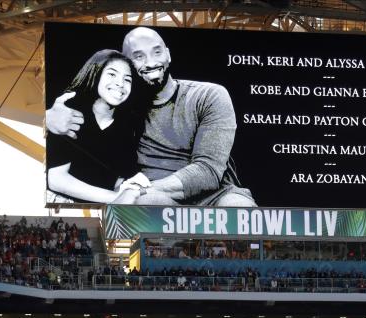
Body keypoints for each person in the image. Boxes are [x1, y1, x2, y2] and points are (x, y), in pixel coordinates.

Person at [46, 26, 256, 208]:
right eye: (139, 56)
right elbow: (92, 144)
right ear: (128, 64)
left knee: (239, 207)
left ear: (168, 55)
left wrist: (134, 191)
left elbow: (208, 170)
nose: (151, 62)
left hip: (216, 194)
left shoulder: (208, 95)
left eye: (157, 52)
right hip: (155, 197)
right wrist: (47, 119)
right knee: (151, 204)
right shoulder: (124, 106)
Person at [46, 49, 143, 203]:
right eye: (112, 74)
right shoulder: (69, 112)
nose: (120, 83)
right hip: (62, 203)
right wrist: (115, 199)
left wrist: (130, 191)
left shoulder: (128, 127)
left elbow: (118, 179)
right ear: (95, 73)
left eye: (127, 79)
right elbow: (56, 179)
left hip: (100, 209)